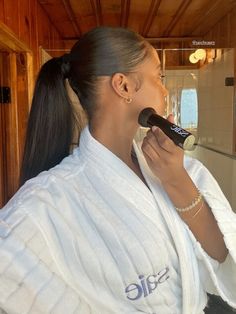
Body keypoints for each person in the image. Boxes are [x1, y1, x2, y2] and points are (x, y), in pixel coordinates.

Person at [0, 26, 236, 314]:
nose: (163, 89)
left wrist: (178, 182)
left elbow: (225, 256)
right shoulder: (49, 199)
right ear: (124, 86)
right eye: (158, 77)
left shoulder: (181, 169)